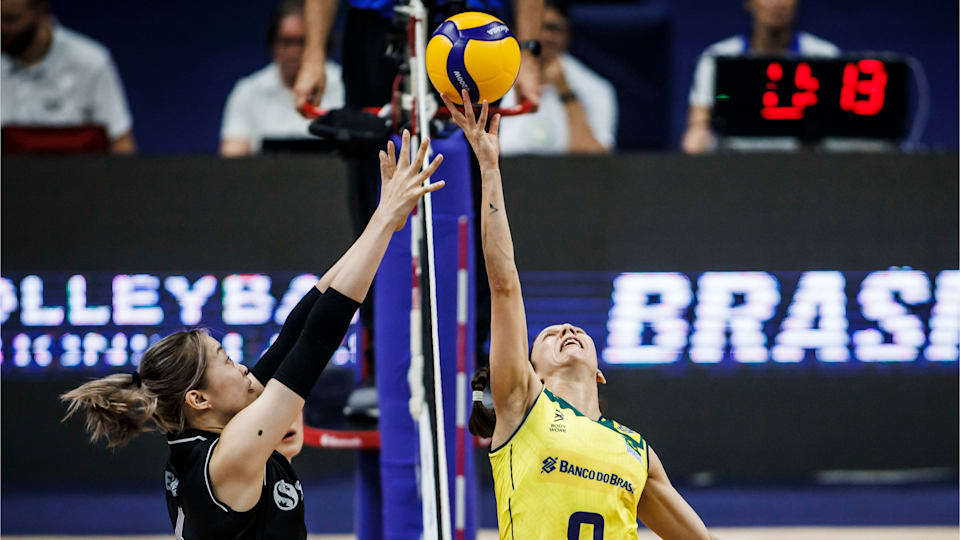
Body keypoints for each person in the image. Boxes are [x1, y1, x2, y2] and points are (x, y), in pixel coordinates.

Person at [61, 131, 444, 539]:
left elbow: (297, 328)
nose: (244, 368)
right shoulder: (231, 454)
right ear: (198, 398)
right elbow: (317, 341)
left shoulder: (203, 436)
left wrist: (382, 220)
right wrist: (384, 223)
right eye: (226, 360)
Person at [442, 89, 719, 539]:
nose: (567, 329)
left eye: (575, 332)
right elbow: (505, 284)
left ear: (600, 373)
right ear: (532, 371)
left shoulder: (634, 450)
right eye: (550, 336)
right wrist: (490, 169)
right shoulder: (522, 406)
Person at [682, 0, 838, 154]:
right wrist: (698, 140)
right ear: (749, 3)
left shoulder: (826, 55)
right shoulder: (716, 57)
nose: (777, 3)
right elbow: (699, 124)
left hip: (805, 167)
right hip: (736, 165)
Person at [0, 0, 136, 154]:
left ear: (40, 11)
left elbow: (121, 144)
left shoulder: (91, 62)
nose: (1, 28)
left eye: (9, 19)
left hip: (82, 177)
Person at [220, 0, 344, 156]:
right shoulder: (248, 92)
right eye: (286, 42)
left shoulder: (344, 86)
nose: (293, 52)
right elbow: (232, 158)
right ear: (273, 44)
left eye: (301, 42)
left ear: (320, 44)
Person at [498, 0, 617, 155]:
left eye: (554, 29)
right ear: (519, 31)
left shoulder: (596, 88)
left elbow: (594, 163)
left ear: (568, 35)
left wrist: (565, 90)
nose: (546, 36)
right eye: (540, 28)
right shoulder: (493, 78)